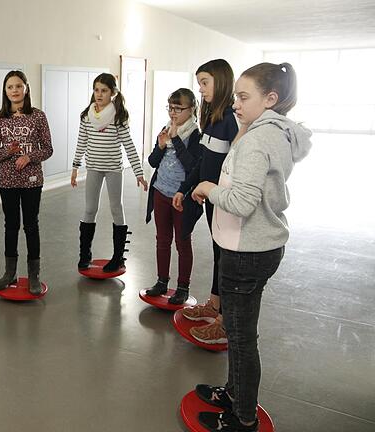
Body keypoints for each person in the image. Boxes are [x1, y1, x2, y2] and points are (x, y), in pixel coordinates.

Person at [190, 62, 310, 432]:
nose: (236, 104)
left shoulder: (259, 139)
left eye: (244, 97)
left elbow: (242, 202)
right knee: (243, 332)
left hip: (247, 251)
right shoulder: (268, 132)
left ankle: (242, 418)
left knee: (240, 339)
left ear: (270, 99)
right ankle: (234, 392)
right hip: (257, 247)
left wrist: (208, 187)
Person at [173, 59, 239, 338]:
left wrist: (210, 190)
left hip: (224, 200)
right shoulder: (213, 118)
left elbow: (236, 167)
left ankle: (224, 322)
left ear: (221, 81)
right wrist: (185, 188)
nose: (200, 89)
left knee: (227, 258)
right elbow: (202, 163)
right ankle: (214, 305)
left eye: (205, 82)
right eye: (199, 82)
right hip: (210, 198)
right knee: (217, 252)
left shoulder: (231, 121)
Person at [71, 73, 147, 273]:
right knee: (90, 209)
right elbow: (81, 142)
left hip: (113, 168)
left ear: (113, 93)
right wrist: (75, 166)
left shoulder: (118, 117)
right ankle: (84, 254)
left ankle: (118, 257)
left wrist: (139, 172)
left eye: (104, 91)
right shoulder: (87, 116)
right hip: (93, 168)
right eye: (96, 90)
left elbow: (129, 145)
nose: (99, 94)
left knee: (116, 208)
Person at [0, 70, 53, 295]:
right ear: (5, 91)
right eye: (9, 87)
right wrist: (9, 151)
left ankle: (34, 275)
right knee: (11, 225)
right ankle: (9, 273)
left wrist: (29, 156)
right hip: (7, 181)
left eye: (18, 86)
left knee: (31, 225)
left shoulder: (38, 116)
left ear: (26, 88)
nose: (14, 90)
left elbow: (48, 149)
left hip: (32, 181)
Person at [144, 88, 201, 303]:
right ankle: (161, 281)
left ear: (191, 109)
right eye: (170, 107)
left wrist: (175, 141)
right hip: (160, 191)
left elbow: (193, 167)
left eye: (178, 108)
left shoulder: (195, 134)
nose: (173, 113)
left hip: (182, 196)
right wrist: (160, 146)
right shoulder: (166, 128)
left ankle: (183, 287)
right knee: (162, 239)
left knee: (182, 241)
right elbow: (152, 161)